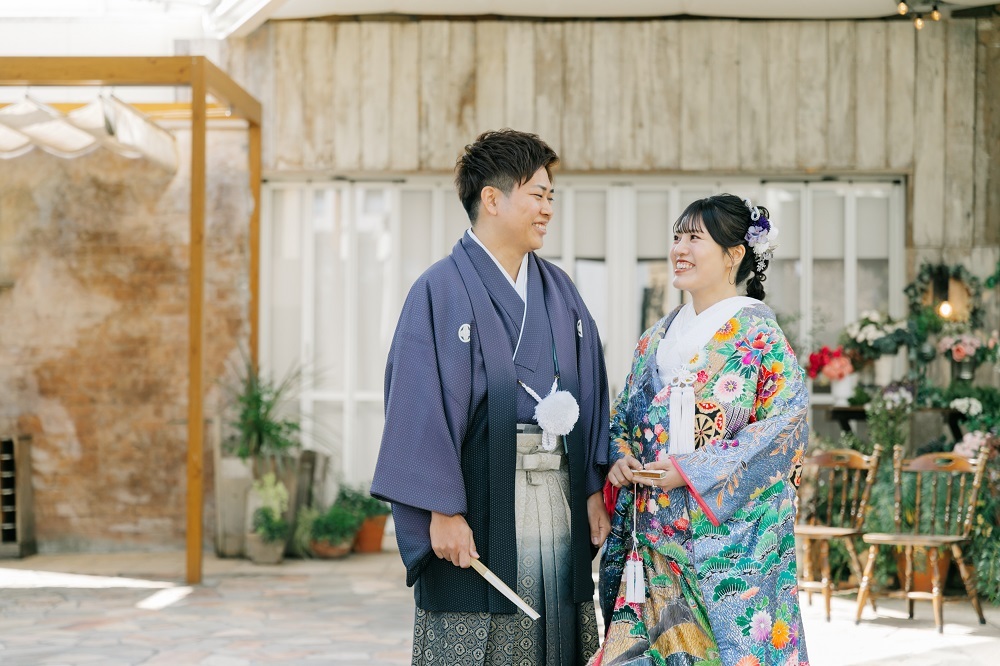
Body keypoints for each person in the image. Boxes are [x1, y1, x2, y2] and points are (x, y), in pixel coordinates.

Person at [370, 129, 611, 666]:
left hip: (559, 500)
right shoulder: (439, 289)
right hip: (476, 502)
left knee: (554, 633)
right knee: (480, 632)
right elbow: (417, 405)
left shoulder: (560, 291)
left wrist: (594, 488)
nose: (548, 209)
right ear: (492, 199)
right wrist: (440, 509)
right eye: (537, 194)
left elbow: (593, 391)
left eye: (551, 196)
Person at [593, 194, 810, 666]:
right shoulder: (655, 338)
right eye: (677, 237)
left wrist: (693, 471)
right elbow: (623, 417)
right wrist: (620, 457)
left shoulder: (759, 336)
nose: (679, 249)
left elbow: (785, 430)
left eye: (695, 238)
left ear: (734, 255)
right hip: (653, 540)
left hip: (725, 545)